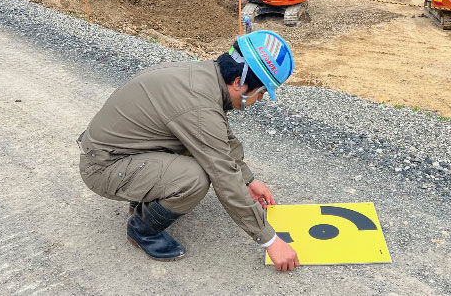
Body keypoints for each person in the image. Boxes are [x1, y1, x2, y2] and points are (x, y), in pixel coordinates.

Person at [77, 31, 300, 271]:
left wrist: (249, 180)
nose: (259, 100)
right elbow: (224, 175)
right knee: (195, 178)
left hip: (124, 152)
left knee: (196, 151)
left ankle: (144, 197)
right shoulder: (199, 106)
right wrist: (270, 239)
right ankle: (142, 230)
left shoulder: (204, 76)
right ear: (238, 82)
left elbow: (220, 139)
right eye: (261, 93)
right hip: (104, 167)